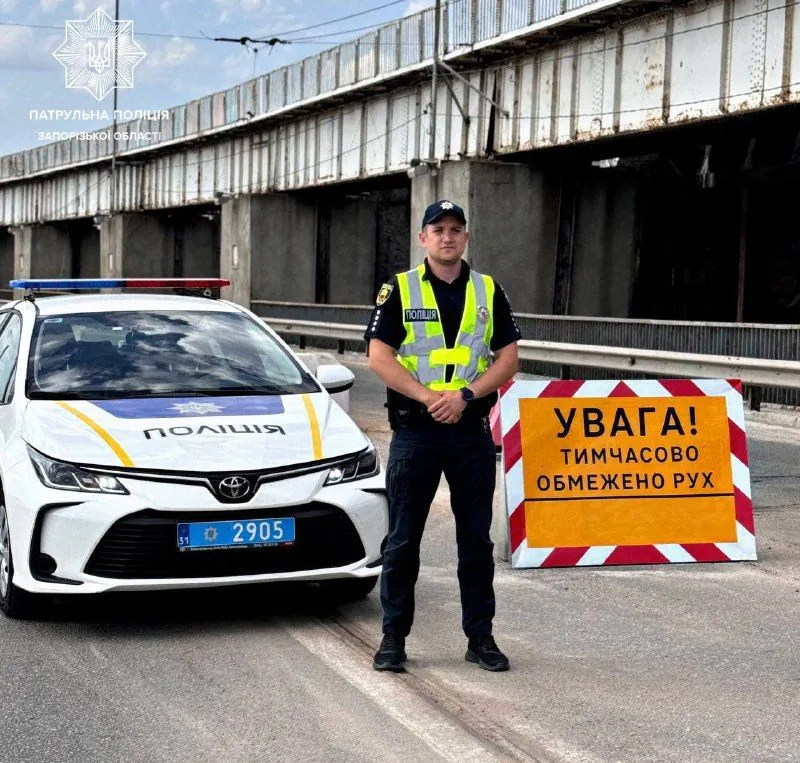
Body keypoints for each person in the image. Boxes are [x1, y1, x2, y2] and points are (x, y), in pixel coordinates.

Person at [364, 199, 522, 673]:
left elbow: (508, 358)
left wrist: (465, 397)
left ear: (466, 237)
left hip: (469, 432)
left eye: (456, 229)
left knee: (475, 544)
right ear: (424, 238)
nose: (447, 237)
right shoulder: (399, 289)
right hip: (416, 433)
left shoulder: (488, 290)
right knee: (402, 541)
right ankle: (393, 639)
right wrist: (429, 395)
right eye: (439, 229)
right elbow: (379, 356)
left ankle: (481, 638)